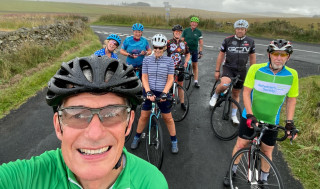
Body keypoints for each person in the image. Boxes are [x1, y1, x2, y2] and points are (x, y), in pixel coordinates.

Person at [0, 56, 168, 189]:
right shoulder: (28, 178)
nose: (95, 134)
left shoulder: (151, 183)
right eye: (77, 115)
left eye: (111, 114)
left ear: (129, 122)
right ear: (58, 125)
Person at [223, 39, 299, 187]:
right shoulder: (256, 69)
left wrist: (289, 122)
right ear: (269, 54)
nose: (278, 57)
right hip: (250, 116)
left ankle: (264, 179)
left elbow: (291, 100)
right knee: (241, 144)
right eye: (275, 53)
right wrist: (250, 115)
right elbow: (246, 93)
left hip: (272, 119)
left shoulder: (292, 75)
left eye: (283, 54)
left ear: (288, 57)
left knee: (267, 151)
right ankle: (232, 171)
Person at [131, 34, 179, 154]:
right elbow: (144, 77)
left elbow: (170, 79)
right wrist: (147, 91)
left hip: (163, 91)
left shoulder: (169, 61)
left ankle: (174, 140)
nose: (157, 50)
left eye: (160, 47)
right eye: (155, 47)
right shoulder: (147, 60)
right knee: (144, 116)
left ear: (164, 48)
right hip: (149, 89)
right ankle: (137, 137)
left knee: (168, 118)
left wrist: (164, 93)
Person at [209, 19, 256, 124]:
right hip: (228, 67)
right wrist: (217, 70)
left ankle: (234, 115)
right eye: (238, 29)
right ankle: (216, 95)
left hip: (241, 70)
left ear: (246, 30)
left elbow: (252, 57)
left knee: (236, 93)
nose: (240, 31)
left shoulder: (250, 41)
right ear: (235, 29)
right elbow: (221, 55)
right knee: (225, 84)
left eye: (242, 29)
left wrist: (253, 72)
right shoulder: (227, 40)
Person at [167, 24, 191, 111]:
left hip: (180, 67)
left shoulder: (183, 43)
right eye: (176, 31)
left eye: (179, 32)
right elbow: (161, 52)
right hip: (170, 67)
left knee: (180, 85)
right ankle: (167, 100)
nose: (178, 33)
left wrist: (186, 61)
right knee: (169, 84)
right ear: (173, 32)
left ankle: (182, 103)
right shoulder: (168, 42)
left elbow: (188, 54)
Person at [181, 16, 203, 88]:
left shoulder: (199, 32)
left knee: (195, 65)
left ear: (197, 24)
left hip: (194, 50)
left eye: (196, 23)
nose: (194, 24)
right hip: (186, 50)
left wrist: (200, 51)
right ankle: (185, 75)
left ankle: (196, 81)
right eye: (193, 22)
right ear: (190, 23)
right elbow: (182, 40)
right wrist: (182, 49)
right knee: (185, 63)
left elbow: (201, 42)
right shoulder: (186, 31)